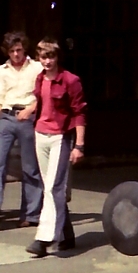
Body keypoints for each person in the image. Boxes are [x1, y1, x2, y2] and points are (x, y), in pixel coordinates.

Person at [26, 38, 85, 257]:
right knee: (51, 187)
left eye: (51, 56)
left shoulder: (70, 80)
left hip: (60, 136)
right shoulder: (40, 78)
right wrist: (28, 111)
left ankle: (43, 238)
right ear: (39, 58)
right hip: (40, 134)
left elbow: (79, 113)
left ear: (57, 57)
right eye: (43, 57)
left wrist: (79, 145)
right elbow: (41, 103)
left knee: (53, 187)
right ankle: (66, 235)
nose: (47, 61)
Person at [0, 31, 42, 227]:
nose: (16, 54)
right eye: (12, 51)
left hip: (28, 116)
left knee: (30, 167)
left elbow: (44, 95)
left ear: (24, 49)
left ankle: (30, 214)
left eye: (18, 50)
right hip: (6, 117)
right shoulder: (2, 71)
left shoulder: (37, 68)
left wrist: (31, 109)